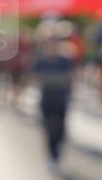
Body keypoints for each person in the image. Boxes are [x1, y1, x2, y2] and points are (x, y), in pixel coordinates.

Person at [30, 24, 77, 169]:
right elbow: (35, 78)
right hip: (47, 98)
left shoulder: (65, 59)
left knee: (61, 129)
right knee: (48, 129)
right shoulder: (40, 60)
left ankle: (58, 151)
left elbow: (70, 78)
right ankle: (52, 157)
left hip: (61, 98)